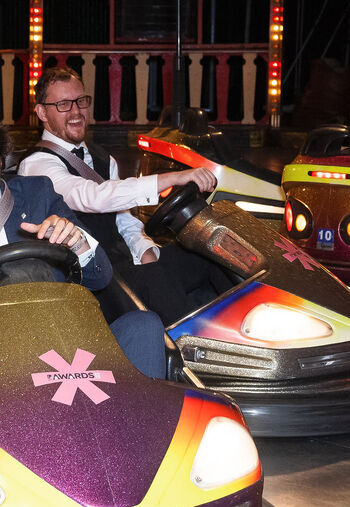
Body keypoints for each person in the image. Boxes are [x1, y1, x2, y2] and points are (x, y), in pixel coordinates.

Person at [0, 98, 165, 413]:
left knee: (144, 325)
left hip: (65, 354)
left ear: (0, 156)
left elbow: (101, 276)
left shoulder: (38, 194)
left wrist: (77, 242)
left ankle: (143, 434)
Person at [19, 67, 232, 324]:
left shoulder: (102, 158)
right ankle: (192, 343)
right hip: (87, 280)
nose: (76, 112)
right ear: (42, 112)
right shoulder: (37, 165)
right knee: (155, 280)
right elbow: (93, 197)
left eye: (81, 101)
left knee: (208, 250)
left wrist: (145, 250)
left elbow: (124, 219)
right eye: (63, 104)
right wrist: (173, 178)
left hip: (124, 266)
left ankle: (243, 328)